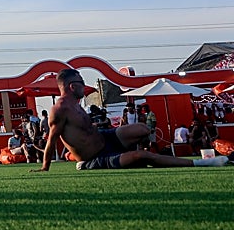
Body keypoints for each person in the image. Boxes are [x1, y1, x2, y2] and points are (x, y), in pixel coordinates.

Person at [36, 68, 228, 171]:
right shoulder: (59, 109)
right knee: (143, 156)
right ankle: (201, 163)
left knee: (142, 129)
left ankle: (126, 156)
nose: (84, 87)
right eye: (81, 83)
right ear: (72, 86)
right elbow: (51, 140)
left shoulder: (77, 104)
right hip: (94, 158)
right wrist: (45, 167)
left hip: (105, 138)